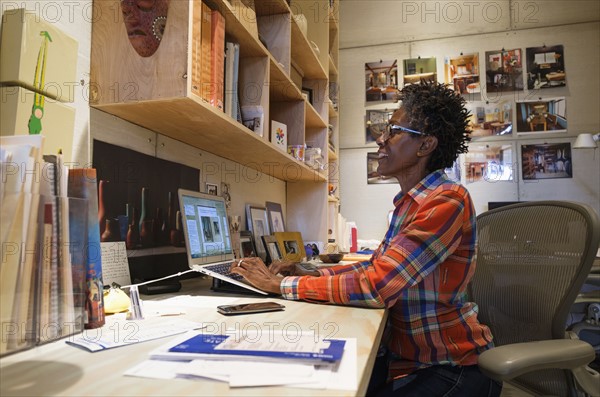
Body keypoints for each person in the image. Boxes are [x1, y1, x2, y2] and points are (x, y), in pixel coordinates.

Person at [230, 81, 502, 397]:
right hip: (409, 360)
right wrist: (310, 273)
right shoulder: (409, 202)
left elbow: (377, 286)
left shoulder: (446, 201)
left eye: (394, 131)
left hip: (451, 366)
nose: (380, 140)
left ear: (425, 146)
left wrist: (280, 286)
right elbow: (374, 269)